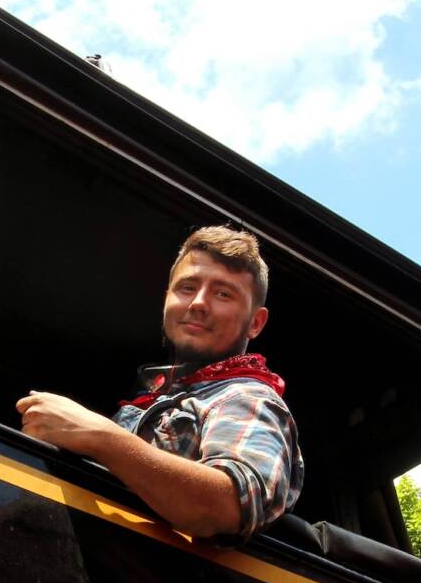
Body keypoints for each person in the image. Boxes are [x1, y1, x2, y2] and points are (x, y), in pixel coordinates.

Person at [16, 226, 303, 542]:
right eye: (187, 287)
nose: (198, 303)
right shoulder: (156, 395)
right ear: (167, 297)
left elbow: (230, 504)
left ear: (256, 323)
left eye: (223, 293)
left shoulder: (246, 396)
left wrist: (97, 436)